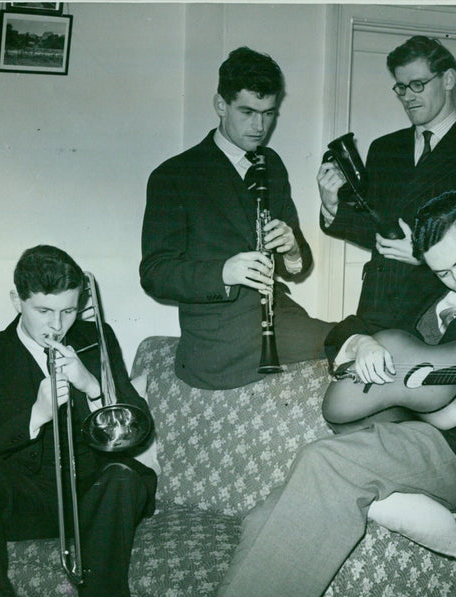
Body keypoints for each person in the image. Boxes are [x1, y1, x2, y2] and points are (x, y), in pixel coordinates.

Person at [210, 190, 456, 597]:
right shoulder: (426, 282)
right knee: (265, 514)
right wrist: (360, 342)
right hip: (391, 429)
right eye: (443, 272)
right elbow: (351, 326)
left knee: (324, 461)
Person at [0, 245, 157, 597]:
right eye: (44, 311)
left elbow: (138, 425)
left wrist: (92, 386)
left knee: (125, 477)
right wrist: (35, 415)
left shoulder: (96, 337)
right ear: (17, 301)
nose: (57, 326)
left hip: (92, 499)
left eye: (68, 311)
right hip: (25, 505)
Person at [140, 46, 332, 390]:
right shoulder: (174, 175)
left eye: (269, 113)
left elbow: (299, 266)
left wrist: (291, 250)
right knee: (350, 340)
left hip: (275, 317)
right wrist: (223, 273)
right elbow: (154, 273)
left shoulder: (271, 164)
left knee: (361, 338)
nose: (260, 126)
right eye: (247, 112)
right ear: (220, 105)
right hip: (217, 337)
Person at [317, 35, 456, 332]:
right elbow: (378, 232)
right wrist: (332, 206)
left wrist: (424, 254)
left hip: (442, 311)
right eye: (401, 87)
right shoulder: (384, 148)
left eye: (418, 85)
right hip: (378, 306)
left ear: (448, 79)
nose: (408, 97)